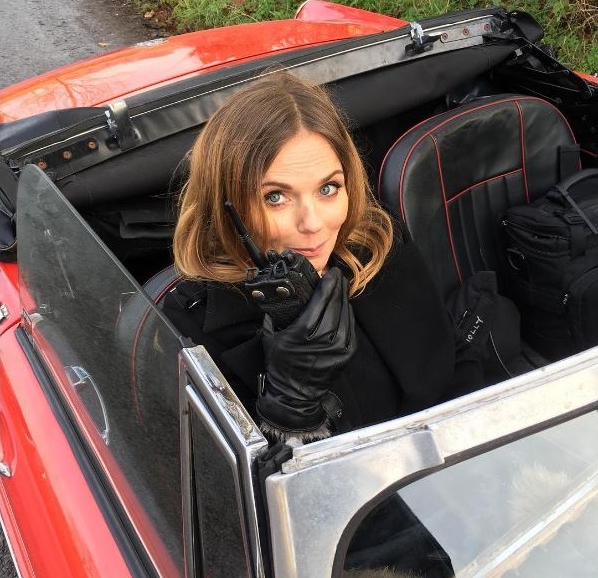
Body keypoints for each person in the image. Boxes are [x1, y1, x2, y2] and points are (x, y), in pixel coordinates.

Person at [163, 71, 485, 444]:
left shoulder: (375, 247)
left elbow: (453, 358)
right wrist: (288, 409)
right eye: (275, 197)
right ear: (226, 206)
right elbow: (230, 487)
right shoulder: (191, 327)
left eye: (328, 188)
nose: (313, 224)